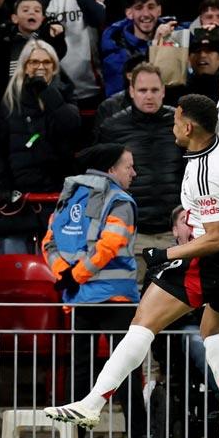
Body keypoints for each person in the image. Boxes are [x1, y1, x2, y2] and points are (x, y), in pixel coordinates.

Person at [45, 30, 219, 438]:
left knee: (141, 326)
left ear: (190, 127)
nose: (172, 125)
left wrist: (164, 252)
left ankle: (91, 405)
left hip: (218, 256)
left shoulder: (203, 175)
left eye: (177, 120)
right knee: (213, 332)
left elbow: (214, 239)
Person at [42, 144, 153, 438]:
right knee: (126, 369)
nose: (133, 173)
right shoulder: (120, 200)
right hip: (116, 298)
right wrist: (74, 276)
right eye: (128, 167)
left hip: (79, 299)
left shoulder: (68, 197)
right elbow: (110, 245)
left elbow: (49, 242)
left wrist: (65, 274)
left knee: (80, 370)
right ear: (110, 170)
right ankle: (138, 437)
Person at [0, 40, 81, 255]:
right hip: (18, 201)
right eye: (33, 62)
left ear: (54, 66)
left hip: (56, 197)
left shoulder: (66, 93)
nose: (40, 66)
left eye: (46, 61)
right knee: (13, 267)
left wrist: (47, 92)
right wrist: (2, 184)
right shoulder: (10, 100)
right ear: (24, 66)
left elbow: (71, 127)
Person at [93, 63, 182, 280]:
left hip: (175, 234)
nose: (149, 96)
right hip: (132, 233)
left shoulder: (182, 123)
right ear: (131, 92)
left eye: (154, 90)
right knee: (134, 306)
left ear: (163, 91)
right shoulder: (111, 128)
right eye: (142, 90)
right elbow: (98, 180)